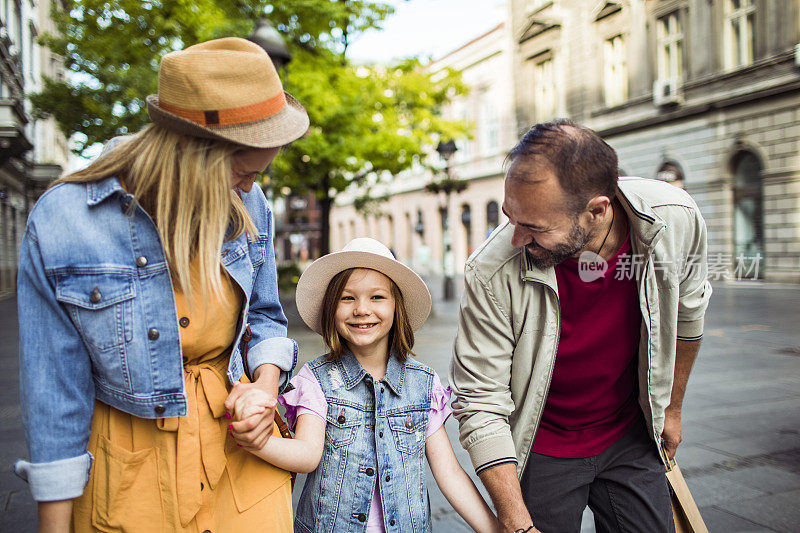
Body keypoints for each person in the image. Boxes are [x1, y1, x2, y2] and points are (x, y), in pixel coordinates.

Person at [14, 37, 309, 532]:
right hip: (128, 470)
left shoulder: (249, 205)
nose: (250, 189)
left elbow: (263, 315)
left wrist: (263, 386)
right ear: (195, 155)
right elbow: (54, 393)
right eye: (243, 172)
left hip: (240, 454)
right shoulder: (65, 221)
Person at [449, 120, 712, 533]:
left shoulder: (675, 218)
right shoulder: (490, 269)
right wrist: (517, 525)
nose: (516, 237)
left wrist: (672, 409)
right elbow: (480, 399)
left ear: (597, 210)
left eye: (535, 226)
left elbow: (689, 316)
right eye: (510, 217)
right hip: (542, 444)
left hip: (629, 433)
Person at [235, 238, 499, 532]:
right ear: (331, 309)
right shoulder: (316, 380)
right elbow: (307, 455)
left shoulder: (423, 385)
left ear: (396, 306)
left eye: (377, 297)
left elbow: (449, 472)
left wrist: (497, 528)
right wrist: (259, 442)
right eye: (347, 298)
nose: (362, 309)